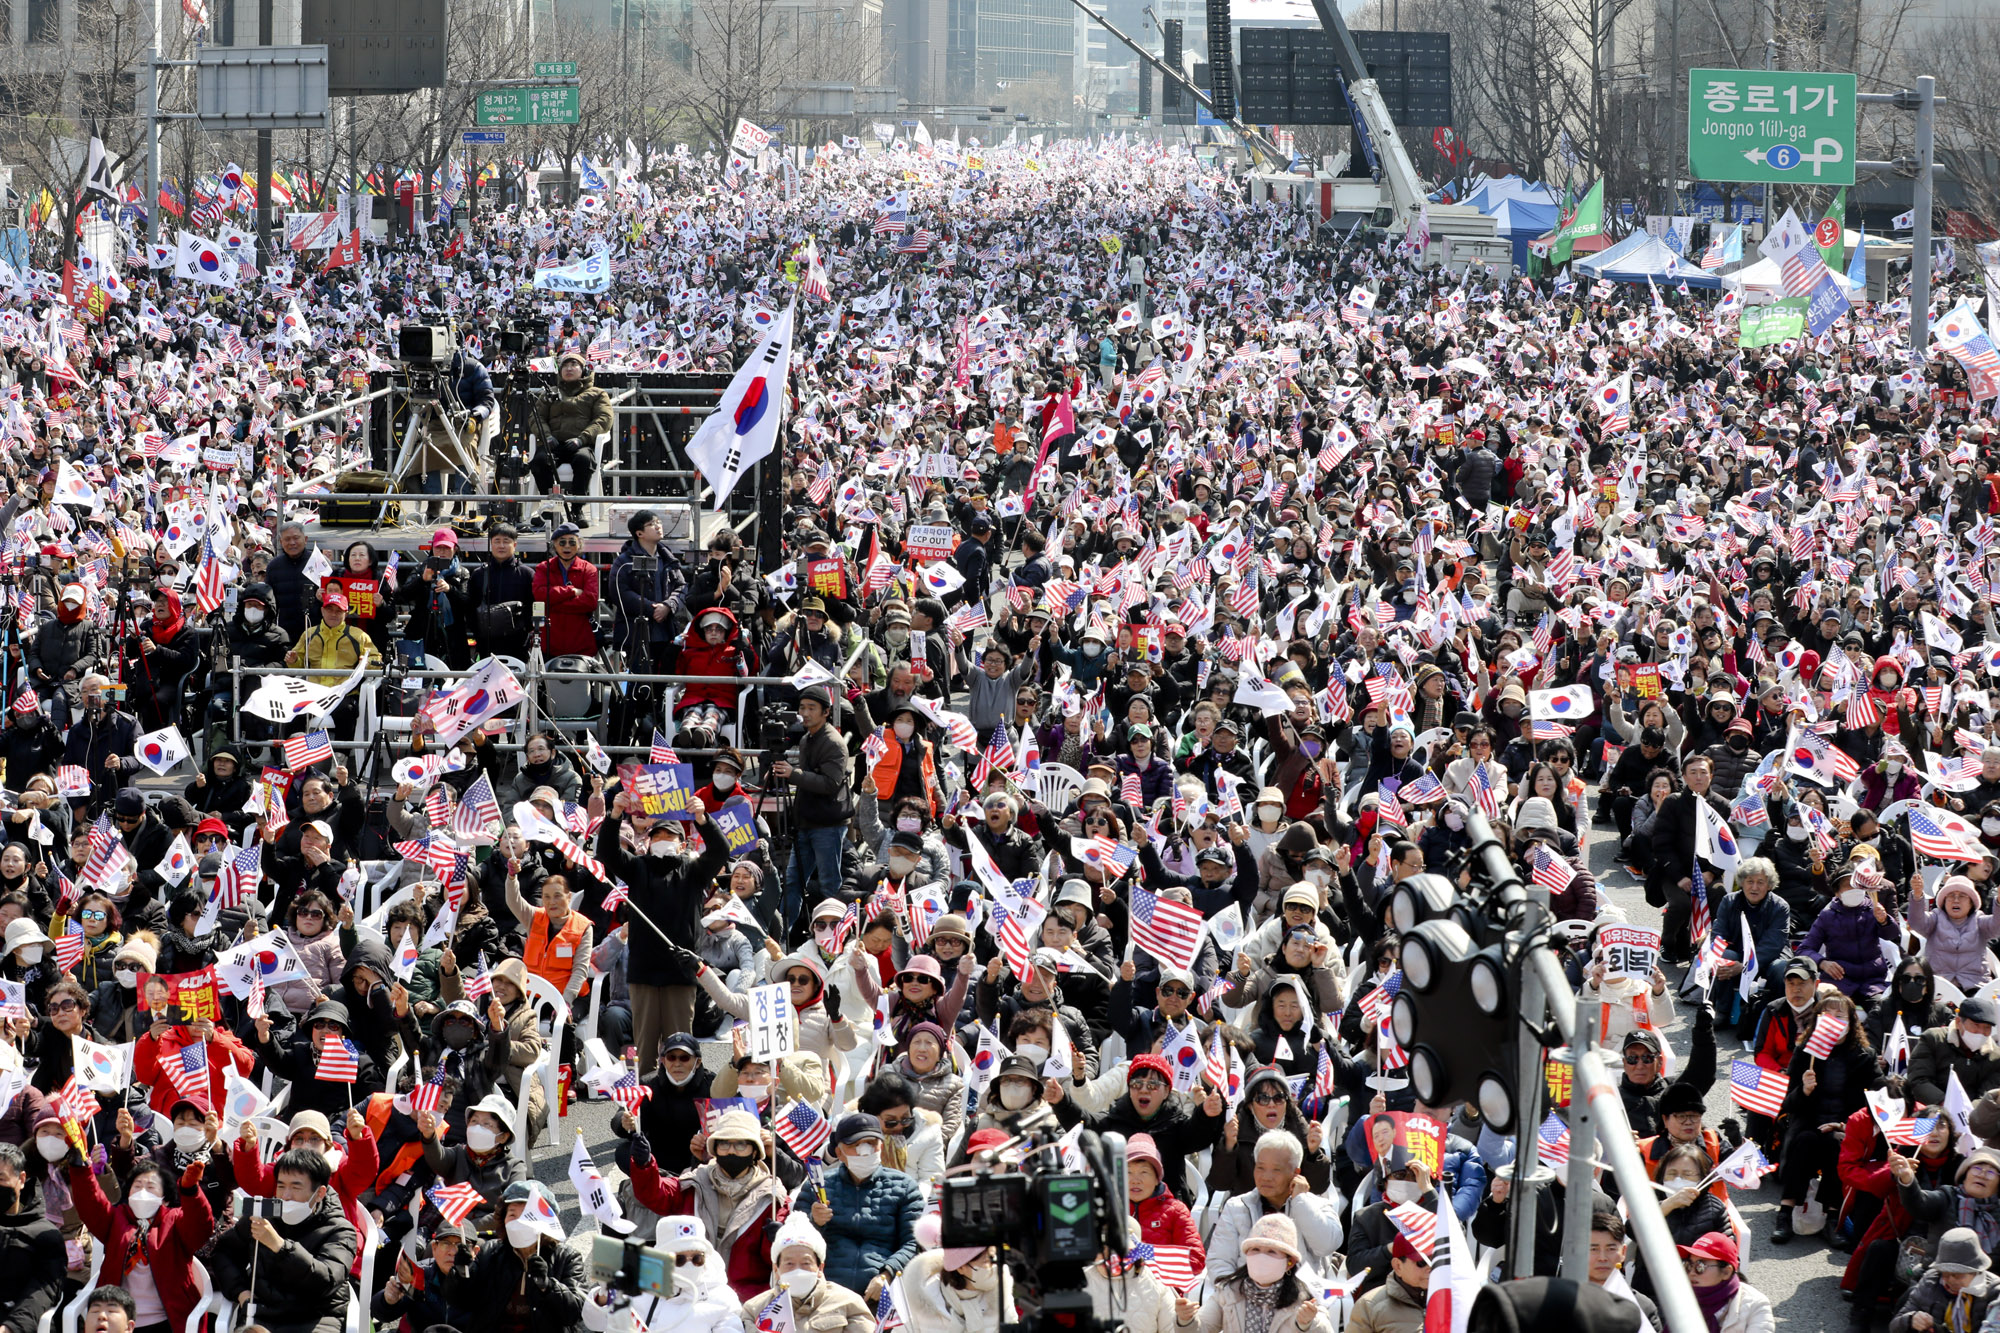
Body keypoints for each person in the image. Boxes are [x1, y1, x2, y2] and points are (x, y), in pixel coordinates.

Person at [595, 789, 730, 1072]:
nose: (663, 842)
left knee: (680, 1046)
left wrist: (702, 819)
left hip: (680, 972)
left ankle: (682, 1100)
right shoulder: (638, 867)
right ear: (647, 842)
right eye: (657, 837)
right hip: (644, 970)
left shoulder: (694, 871)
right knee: (644, 1047)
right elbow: (607, 852)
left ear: (683, 845)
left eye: (670, 838)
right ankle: (644, 1103)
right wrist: (615, 816)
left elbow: (721, 851)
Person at [796, 1112, 922, 1304]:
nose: (865, 1151)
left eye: (872, 1143)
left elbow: (914, 1242)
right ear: (839, 1153)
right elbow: (793, 1241)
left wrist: (887, 1275)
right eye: (855, 1145)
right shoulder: (817, 1186)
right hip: (825, 1294)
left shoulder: (905, 1186)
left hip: (881, 1293)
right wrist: (814, 1223)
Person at [770, 685, 854, 939]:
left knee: (830, 883)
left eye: (811, 708)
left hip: (827, 823)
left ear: (826, 712)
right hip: (807, 821)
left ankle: (836, 936)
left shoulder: (833, 743)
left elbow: (830, 784)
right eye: (802, 708)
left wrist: (793, 774)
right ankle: (780, 937)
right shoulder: (807, 739)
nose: (805, 713)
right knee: (793, 881)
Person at [459, 1181, 591, 1331]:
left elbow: (576, 1313)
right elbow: (464, 1301)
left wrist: (548, 1285)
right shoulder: (491, 1251)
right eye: (512, 1214)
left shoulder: (567, 1258)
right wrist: (461, 1273)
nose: (519, 1222)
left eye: (527, 1215)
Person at [1175, 1214, 1334, 1333]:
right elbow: (1202, 1329)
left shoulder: (1305, 1297)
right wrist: (1186, 1320)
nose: (1261, 1257)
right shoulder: (1228, 1292)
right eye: (1255, 1250)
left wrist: (1307, 1324)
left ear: (1289, 1263)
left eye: (1272, 1252)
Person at [743, 1217, 873, 1333]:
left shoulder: (849, 1302)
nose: (798, 1271)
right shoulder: (754, 1309)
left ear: (820, 1267)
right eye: (789, 1264)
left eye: (806, 1263)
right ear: (776, 1270)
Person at [529, 351, 612, 521]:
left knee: (584, 461)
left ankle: (577, 509)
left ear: (583, 370)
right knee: (538, 462)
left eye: (573, 365)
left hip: (580, 443)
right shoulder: (549, 393)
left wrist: (582, 438)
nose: (569, 369)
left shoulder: (597, 394)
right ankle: (550, 507)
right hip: (553, 443)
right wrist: (546, 437)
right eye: (565, 366)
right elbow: (536, 417)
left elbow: (604, 419)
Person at [0, 1141, 64, 1333]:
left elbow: (42, 1291)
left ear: (21, 1179)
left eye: (1, 1179)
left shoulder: (46, 1235)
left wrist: (11, 1328)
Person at [1886, 1226, 2000, 1333]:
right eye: (1945, 1273)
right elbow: (1894, 1326)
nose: (1950, 1280)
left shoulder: (1994, 1291)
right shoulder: (1930, 1281)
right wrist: (1910, 1319)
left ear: (1976, 1271)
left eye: (1957, 1275)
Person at [1677, 1231, 1774, 1333]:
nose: (1692, 1272)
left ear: (1726, 1272)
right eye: (1688, 1265)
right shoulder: (1680, 1297)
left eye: (1700, 1266)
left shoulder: (1756, 1305)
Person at [534, 523, 601, 659]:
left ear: (579, 544)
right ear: (554, 545)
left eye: (572, 542)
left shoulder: (588, 569)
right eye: (562, 542)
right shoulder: (544, 568)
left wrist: (553, 603)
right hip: (550, 641)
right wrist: (571, 591)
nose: (567, 547)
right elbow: (539, 595)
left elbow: (590, 602)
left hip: (581, 642)